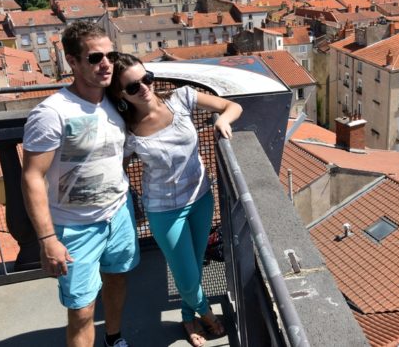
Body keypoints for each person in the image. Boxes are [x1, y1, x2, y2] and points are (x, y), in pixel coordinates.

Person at [108, 53, 242, 347]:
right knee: (185, 273)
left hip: (201, 197)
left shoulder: (181, 98)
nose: (144, 87)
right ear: (121, 94)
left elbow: (232, 106)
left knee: (192, 266)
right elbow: (115, 166)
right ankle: (205, 313)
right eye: (133, 87)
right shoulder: (126, 130)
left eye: (146, 78)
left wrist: (223, 123)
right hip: (163, 209)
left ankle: (186, 315)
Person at [22, 22, 139, 347]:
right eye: (95, 57)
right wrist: (47, 239)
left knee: (116, 280)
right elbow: (32, 176)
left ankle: (114, 338)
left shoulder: (115, 101)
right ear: (72, 62)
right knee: (82, 310)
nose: (106, 64)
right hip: (75, 228)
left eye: (111, 56)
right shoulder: (52, 113)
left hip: (119, 215)